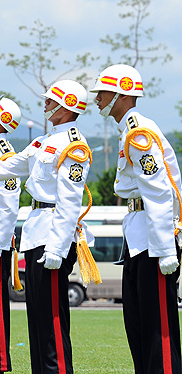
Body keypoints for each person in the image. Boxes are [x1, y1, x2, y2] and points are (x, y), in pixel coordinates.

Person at [0, 80, 91, 373]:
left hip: (53, 236)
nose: (46, 104)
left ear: (66, 107)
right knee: (37, 319)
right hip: (37, 232)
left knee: (51, 321)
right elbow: (8, 167)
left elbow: (70, 202)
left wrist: (58, 248)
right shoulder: (44, 141)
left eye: (51, 101)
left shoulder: (74, 145)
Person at [91, 64, 181, 373]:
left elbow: (158, 192)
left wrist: (167, 249)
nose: (97, 99)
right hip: (138, 236)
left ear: (121, 94)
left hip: (153, 241)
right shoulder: (128, 131)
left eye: (102, 92)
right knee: (139, 328)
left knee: (159, 333)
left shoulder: (139, 133)